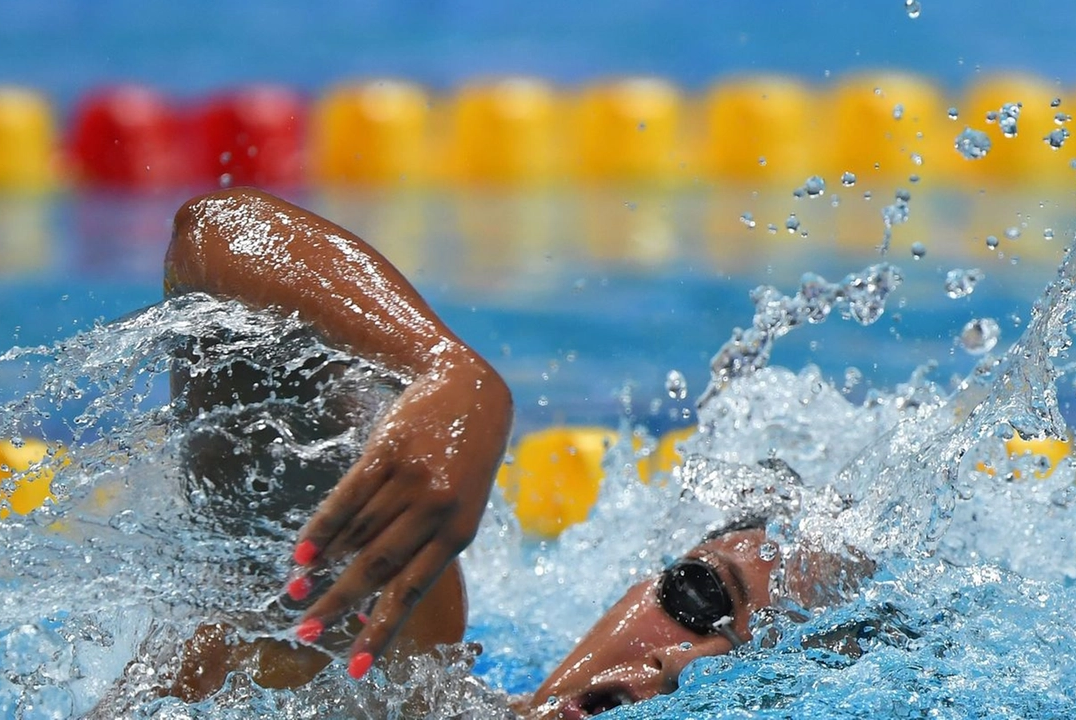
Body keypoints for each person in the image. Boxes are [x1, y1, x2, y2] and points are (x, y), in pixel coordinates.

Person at [142, 187, 855, 716]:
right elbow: (216, 239)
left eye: (757, 681)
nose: (678, 663)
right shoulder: (392, 661)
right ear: (637, 586)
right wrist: (448, 370)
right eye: (698, 598)